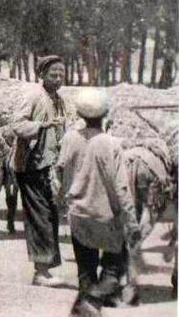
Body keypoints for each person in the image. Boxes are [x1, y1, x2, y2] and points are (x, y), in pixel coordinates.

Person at [56, 88, 140, 316]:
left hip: (78, 214)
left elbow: (59, 175)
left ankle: (87, 306)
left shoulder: (69, 139)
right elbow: (121, 188)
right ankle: (92, 301)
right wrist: (131, 221)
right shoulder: (111, 143)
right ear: (105, 115)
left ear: (80, 114)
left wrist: (63, 204)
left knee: (85, 271)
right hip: (106, 217)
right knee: (114, 267)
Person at [11, 54, 75, 286]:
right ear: (42, 75)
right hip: (31, 166)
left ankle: (46, 268)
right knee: (39, 216)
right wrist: (41, 126)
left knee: (50, 215)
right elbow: (17, 124)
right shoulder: (34, 96)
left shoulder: (59, 99)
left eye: (61, 74)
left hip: (49, 167)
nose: (58, 79)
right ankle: (40, 271)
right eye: (53, 74)